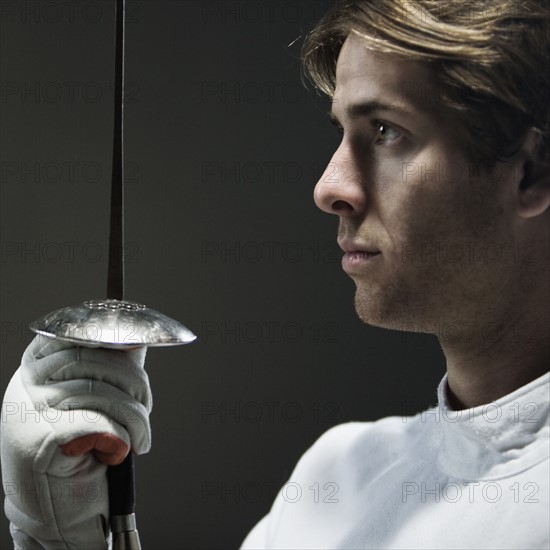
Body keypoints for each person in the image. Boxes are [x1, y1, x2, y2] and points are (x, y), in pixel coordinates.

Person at [2, 0, 549, 548]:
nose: (330, 188)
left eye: (386, 131)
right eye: (342, 130)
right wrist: (69, 535)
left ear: (531, 173)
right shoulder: (340, 478)